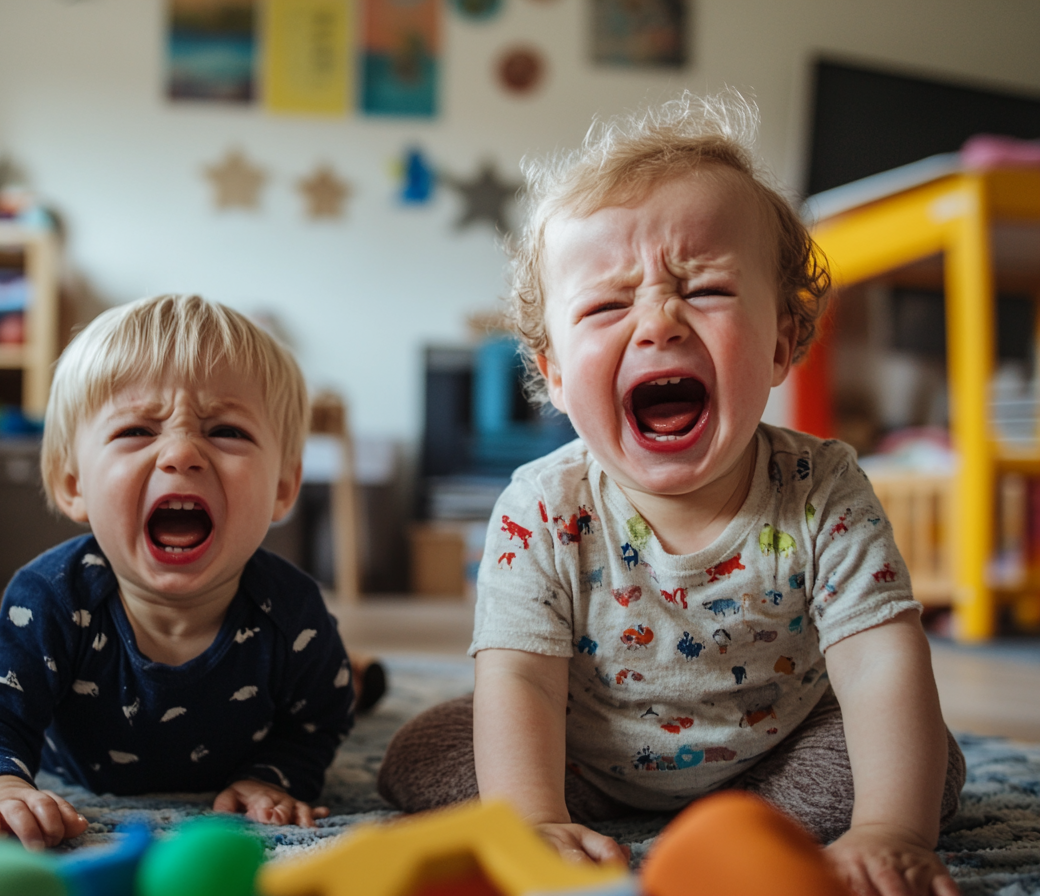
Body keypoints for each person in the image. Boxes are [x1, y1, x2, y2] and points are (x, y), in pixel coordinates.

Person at [376, 91, 965, 896]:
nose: (658, 322)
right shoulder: (542, 505)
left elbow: (878, 663)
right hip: (585, 762)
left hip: (776, 757)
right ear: (551, 372)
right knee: (428, 752)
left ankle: (738, 821)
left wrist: (891, 829)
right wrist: (533, 817)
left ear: (782, 341)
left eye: (707, 290)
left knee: (922, 763)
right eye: (609, 304)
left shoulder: (822, 487)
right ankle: (605, 821)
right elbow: (520, 679)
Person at [0, 294, 357, 850]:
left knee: (341, 685)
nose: (181, 453)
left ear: (282, 487)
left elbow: (318, 724)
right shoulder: (51, 596)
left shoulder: (294, 613)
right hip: (60, 726)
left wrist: (273, 776)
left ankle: (364, 675)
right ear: (73, 484)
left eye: (226, 431)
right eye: (136, 431)